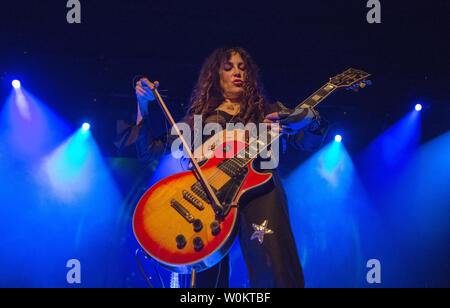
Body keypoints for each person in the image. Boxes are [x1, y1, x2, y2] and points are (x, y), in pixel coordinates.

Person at [121, 47, 328, 288]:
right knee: (204, 281)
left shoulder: (269, 113)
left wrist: (313, 119)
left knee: (275, 265)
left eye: (242, 68)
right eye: (228, 68)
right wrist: (143, 106)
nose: (237, 73)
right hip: (207, 199)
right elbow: (149, 150)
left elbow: (306, 143)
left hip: (259, 190)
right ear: (216, 77)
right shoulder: (198, 119)